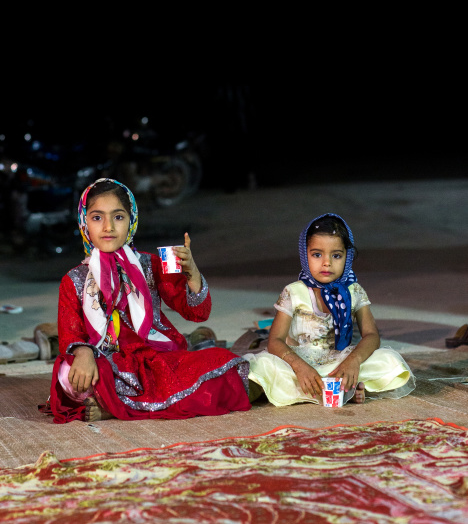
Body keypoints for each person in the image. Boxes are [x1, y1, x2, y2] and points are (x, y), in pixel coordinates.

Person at [44, 178, 250, 423]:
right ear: (84, 222)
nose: (108, 227)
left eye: (118, 217)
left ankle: (113, 406)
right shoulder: (74, 279)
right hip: (107, 362)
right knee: (68, 374)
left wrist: (192, 273)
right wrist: (84, 354)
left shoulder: (151, 264)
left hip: (154, 358)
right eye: (97, 217)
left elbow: (196, 313)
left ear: (132, 221)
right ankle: (121, 402)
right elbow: (70, 335)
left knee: (222, 361)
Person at [246, 213, 415, 406]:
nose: (327, 263)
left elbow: (372, 335)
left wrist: (354, 361)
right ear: (305, 253)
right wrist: (299, 367)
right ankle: (347, 389)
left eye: (336, 255)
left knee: (389, 360)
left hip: (340, 362)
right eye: (317, 254)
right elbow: (275, 341)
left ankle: (331, 387)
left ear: (347, 257)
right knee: (261, 367)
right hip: (299, 362)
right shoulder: (294, 292)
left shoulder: (354, 291)